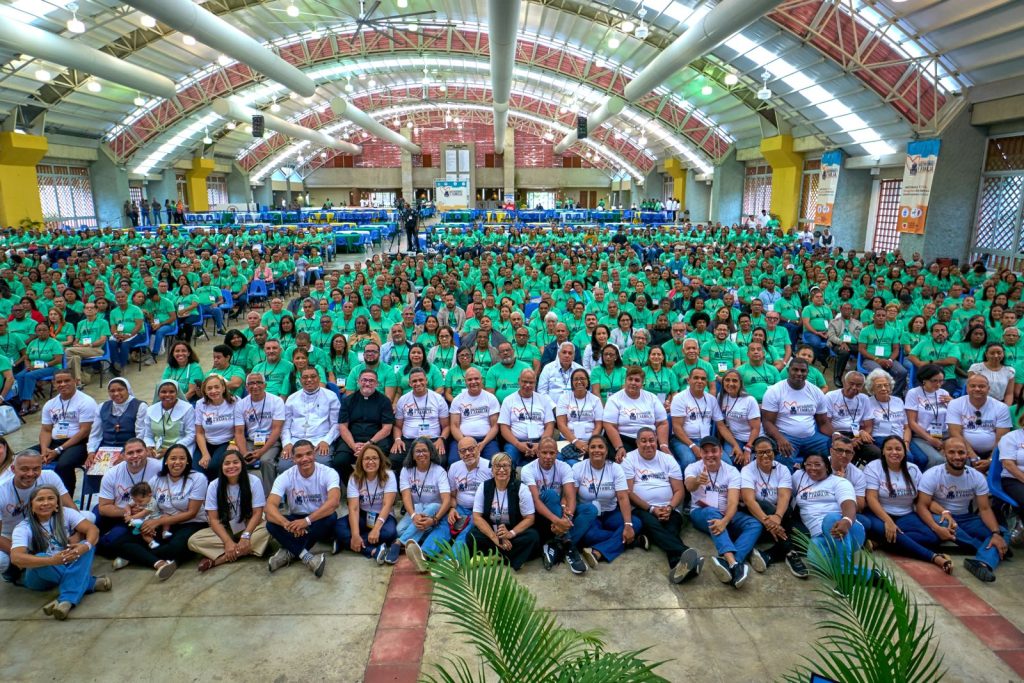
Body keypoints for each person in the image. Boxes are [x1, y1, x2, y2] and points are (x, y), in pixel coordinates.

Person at [106, 444, 208, 581]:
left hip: (190, 523)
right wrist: (137, 515)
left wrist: (157, 522)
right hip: (162, 522)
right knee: (117, 543)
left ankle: (136, 556)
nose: (177, 462)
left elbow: (192, 513)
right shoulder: (157, 479)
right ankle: (160, 563)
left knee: (173, 548)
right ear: (166, 461)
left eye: (182, 458)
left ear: (188, 461)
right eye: (173, 458)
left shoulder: (198, 478)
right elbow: (146, 502)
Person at [9, 486, 109, 620]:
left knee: (85, 546)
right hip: (39, 575)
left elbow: (93, 529)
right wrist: (51, 561)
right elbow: (16, 558)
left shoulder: (66, 513)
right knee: (41, 556)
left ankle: (65, 601)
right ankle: (89, 584)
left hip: (65, 564)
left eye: (50, 498)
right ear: (31, 506)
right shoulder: (23, 527)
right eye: (40, 500)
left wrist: (86, 546)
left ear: (57, 503)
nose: (45, 503)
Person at [917, 437, 1008, 583]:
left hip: (966, 518)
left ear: (967, 454)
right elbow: (921, 506)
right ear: (944, 453)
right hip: (943, 517)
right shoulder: (932, 475)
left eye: (961, 452)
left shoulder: (976, 477)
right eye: (952, 452)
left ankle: (982, 563)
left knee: (1002, 532)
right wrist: (936, 525)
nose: (957, 457)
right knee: (945, 524)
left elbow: (984, 509)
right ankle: (986, 550)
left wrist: (996, 533)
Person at [622, 427, 704, 584]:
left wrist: (670, 507)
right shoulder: (629, 459)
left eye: (652, 440)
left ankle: (680, 565)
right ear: (637, 443)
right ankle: (685, 552)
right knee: (654, 525)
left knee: (670, 528)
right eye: (643, 441)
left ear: (657, 441)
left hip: (670, 508)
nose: (648, 444)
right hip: (642, 509)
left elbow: (679, 490)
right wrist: (651, 509)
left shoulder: (667, 459)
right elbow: (629, 492)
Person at [684, 436, 763, 588]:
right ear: (700, 453)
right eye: (705, 452)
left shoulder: (732, 471)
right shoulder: (693, 467)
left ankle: (730, 562)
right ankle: (733, 563)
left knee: (754, 524)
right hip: (701, 513)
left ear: (720, 452)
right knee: (711, 513)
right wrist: (697, 482)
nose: (710, 455)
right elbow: (689, 486)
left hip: (725, 514)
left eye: (714, 451)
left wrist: (725, 521)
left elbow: (733, 502)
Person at [861, 436, 948, 572]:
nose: (894, 452)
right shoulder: (873, 467)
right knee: (894, 532)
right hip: (878, 515)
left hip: (906, 514)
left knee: (931, 538)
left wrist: (944, 512)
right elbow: (871, 498)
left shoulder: (913, 469)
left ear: (904, 451)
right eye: (889, 449)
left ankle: (881, 542)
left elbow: (922, 499)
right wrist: (888, 521)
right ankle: (933, 557)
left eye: (898, 449)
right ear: (883, 451)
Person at [0, 451, 82, 580]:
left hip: (48, 525)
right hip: (11, 535)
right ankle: (14, 570)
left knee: (88, 518)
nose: (30, 474)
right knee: (1, 560)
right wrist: (25, 554)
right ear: (13, 469)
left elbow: (70, 506)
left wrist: (77, 534)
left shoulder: (49, 476)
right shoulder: (2, 490)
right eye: (24, 469)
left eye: (36, 469)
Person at [187, 450, 270, 572]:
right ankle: (242, 549)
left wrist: (245, 536)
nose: (231, 466)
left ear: (242, 464)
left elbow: (257, 513)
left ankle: (220, 559)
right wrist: (227, 541)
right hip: (225, 529)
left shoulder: (254, 481)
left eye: (235, 462)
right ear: (221, 467)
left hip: (249, 527)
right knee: (193, 541)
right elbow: (213, 519)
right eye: (227, 463)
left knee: (270, 528)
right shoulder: (214, 485)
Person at [265, 440, 339, 577]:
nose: (305, 459)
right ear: (293, 459)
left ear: (315, 454)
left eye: (308, 454)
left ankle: (289, 551)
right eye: (299, 456)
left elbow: (334, 502)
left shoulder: (329, 473)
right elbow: (269, 507)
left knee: (332, 517)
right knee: (271, 523)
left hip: (317, 518)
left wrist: (306, 521)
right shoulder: (285, 476)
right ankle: (306, 557)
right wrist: (286, 524)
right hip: (295, 519)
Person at [523, 437, 594, 574]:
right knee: (550, 494)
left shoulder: (564, 467)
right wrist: (558, 521)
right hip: (541, 515)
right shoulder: (528, 469)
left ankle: (555, 544)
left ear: (557, 453)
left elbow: (571, 496)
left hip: (560, 513)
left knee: (590, 509)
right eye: (544, 453)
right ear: (537, 453)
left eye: (552, 453)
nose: (548, 457)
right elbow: (536, 501)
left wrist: (567, 518)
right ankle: (569, 545)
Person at [739, 436, 805, 578]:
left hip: (780, 515)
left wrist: (777, 517)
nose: (765, 455)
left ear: (774, 452)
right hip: (757, 514)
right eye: (760, 452)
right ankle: (791, 554)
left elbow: (784, 496)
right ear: (755, 454)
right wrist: (768, 520)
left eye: (768, 451)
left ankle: (768, 555)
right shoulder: (747, 470)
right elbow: (749, 500)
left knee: (805, 537)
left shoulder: (783, 469)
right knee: (765, 505)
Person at [790, 452, 865, 576]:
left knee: (830, 518)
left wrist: (846, 521)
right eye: (808, 465)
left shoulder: (839, 482)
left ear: (826, 466)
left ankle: (844, 572)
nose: (812, 468)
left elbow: (849, 503)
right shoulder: (799, 477)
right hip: (819, 536)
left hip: (846, 529)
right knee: (815, 560)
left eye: (817, 464)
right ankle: (872, 575)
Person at [571, 435, 637, 566]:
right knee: (589, 536)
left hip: (610, 513)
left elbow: (623, 497)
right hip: (590, 515)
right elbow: (571, 496)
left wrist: (628, 525)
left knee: (635, 522)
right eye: (593, 447)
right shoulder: (578, 468)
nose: (597, 450)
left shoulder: (615, 468)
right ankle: (632, 540)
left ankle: (598, 551)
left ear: (607, 451)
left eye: (601, 447)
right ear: (587, 450)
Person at [92, 438, 162, 562]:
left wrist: (138, 514)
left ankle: (95, 545)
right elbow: (103, 507)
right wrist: (127, 512)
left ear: (147, 451)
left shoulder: (159, 468)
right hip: (118, 511)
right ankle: (86, 542)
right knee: (92, 518)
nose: (135, 456)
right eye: (130, 453)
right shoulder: (112, 473)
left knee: (112, 540)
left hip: (145, 515)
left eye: (139, 451)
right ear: (123, 456)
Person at [469, 452, 540, 571]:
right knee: (472, 535)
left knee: (533, 537)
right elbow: (477, 517)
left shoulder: (521, 488)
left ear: (511, 468)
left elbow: (530, 518)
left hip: (513, 530)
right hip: (492, 530)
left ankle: (495, 557)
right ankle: (508, 557)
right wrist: (494, 537)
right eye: (497, 466)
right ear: (492, 469)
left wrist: (510, 533)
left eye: (505, 466)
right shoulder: (484, 487)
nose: (501, 470)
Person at [761, 359, 833, 469]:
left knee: (836, 448)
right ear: (788, 370)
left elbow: (823, 423)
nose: (799, 373)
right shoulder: (775, 391)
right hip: (786, 437)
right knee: (783, 458)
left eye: (803, 371)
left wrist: (836, 436)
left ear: (807, 372)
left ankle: (827, 481)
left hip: (812, 438)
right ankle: (788, 483)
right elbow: (767, 422)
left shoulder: (816, 392)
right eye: (795, 370)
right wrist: (780, 439)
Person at [393, 438, 452, 571]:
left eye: (424, 450)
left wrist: (434, 519)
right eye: (417, 451)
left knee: (433, 506)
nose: (421, 454)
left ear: (431, 452)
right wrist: (413, 515)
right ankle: (425, 533)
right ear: (412, 455)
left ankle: (399, 542)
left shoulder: (439, 471)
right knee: (399, 530)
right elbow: (406, 496)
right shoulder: (406, 470)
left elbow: (446, 500)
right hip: (417, 510)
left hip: (436, 511)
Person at [38, 369, 98, 497]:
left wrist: (58, 450)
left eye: (67, 381)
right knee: (25, 458)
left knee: (64, 465)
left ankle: (66, 500)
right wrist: (44, 450)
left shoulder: (86, 401)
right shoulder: (50, 404)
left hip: (79, 443)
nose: (63, 384)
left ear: (75, 381)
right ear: (54, 384)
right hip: (55, 442)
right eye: (59, 381)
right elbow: (46, 430)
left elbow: (84, 431)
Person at [336, 443, 399, 563]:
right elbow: (353, 509)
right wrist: (354, 535)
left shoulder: (389, 476)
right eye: (367, 458)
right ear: (361, 461)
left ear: (380, 460)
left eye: (374, 458)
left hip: (383, 516)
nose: (371, 462)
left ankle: (344, 543)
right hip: (363, 515)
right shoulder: (354, 478)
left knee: (389, 533)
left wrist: (376, 529)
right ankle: (372, 550)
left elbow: (387, 505)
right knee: (338, 526)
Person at [335, 369, 395, 483]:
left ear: (377, 383)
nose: (367, 383)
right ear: (358, 381)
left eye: (371, 381)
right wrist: (353, 446)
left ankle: (377, 487)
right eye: (364, 380)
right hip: (352, 439)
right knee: (339, 461)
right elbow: (343, 427)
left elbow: (387, 428)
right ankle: (354, 486)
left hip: (377, 439)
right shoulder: (348, 401)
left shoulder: (384, 401)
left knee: (386, 458)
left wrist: (369, 444)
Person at [669, 366, 735, 468]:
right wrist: (693, 446)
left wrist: (735, 445)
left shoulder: (711, 399)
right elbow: (677, 428)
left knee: (727, 463)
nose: (700, 381)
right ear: (688, 380)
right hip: (683, 440)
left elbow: (721, 426)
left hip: (706, 440)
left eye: (703, 379)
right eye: (696, 378)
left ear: (707, 382)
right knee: (689, 461)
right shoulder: (679, 398)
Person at [945, 373, 1012, 472]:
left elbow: (1001, 438)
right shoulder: (955, 404)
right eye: (973, 386)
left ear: (988, 389)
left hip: (994, 452)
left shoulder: (1001, 407)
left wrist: (991, 460)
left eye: (981, 386)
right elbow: (955, 433)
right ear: (967, 388)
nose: (977, 389)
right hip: (964, 450)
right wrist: (973, 457)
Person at [233, 372, 286, 496]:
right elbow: (239, 432)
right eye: (251, 383)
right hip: (250, 441)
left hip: (270, 441)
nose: (255, 386)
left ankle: (271, 497)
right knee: (236, 460)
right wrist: (244, 452)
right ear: (246, 387)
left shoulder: (276, 401)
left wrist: (261, 452)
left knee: (266, 461)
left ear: (265, 385)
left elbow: (277, 430)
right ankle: (243, 495)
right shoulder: (241, 404)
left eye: (259, 382)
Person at [279, 367, 341, 470]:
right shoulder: (291, 398)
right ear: (300, 379)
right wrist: (287, 443)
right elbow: (285, 426)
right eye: (305, 377)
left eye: (313, 376)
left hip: (320, 440)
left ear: (319, 378)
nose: (309, 380)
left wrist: (326, 441)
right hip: (295, 441)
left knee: (323, 463)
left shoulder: (331, 396)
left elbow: (336, 424)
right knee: (284, 466)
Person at [602, 365, 670, 458]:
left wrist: (663, 445)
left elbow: (662, 423)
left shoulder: (652, 398)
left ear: (642, 383)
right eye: (630, 379)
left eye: (637, 380)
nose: (633, 383)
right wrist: (619, 447)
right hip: (624, 439)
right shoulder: (614, 399)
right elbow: (609, 425)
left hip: (649, 441)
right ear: (625, 380)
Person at [497, 368, 556, 467]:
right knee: (507, 462)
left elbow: (549, 425)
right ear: (519, 381)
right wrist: (518, 444)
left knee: (553, 461)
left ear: (535, 383)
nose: (527, 385)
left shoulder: (543, 400)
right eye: (524, 381)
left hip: (539, 441)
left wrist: (541, 444)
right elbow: (504, 428)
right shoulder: (508, 400)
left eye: (531, 382)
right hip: (515, 442)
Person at [85, 378, 147, 468]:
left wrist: (127, 454)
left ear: (127, 390)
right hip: (105, 449)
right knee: (91, 470)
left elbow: (140, 434)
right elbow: (95, 433)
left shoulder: (140, 406)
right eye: (112, 391)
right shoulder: (102, 407)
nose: (116, 394)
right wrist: (91, 452)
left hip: (129, 449)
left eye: (120, 390)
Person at [447, 437, 493, 552]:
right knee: (445, 523)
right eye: (463, 451)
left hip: (481, 511)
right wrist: (452, 508)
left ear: (478, 448)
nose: (467, 453)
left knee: (469, 529)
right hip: (461, 508)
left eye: (471, 449)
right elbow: (452, 495)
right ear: (459, 453)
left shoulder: (490, 467)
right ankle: (425, 552)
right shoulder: (454, 467)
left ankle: (452, 559)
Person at [825, 371, 879, 465]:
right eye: (851, 383)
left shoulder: (864, 398)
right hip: (836, 434)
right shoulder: (831, 396)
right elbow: (826, 423)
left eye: (858, 385)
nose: (854, 387)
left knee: (876, 453)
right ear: (844, 382)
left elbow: (869, 425)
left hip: (857, 435)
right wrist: (847, 440)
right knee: (843, 452)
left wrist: (861, 435)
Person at [448, 367, 500, 464]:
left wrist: (483, 443)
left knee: (494, 462)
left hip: (486, 440)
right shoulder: (458, 399)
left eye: (476, 379)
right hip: (462, 438)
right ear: (465, 381)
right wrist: (466, 443)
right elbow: (454, 426)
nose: (473, 382)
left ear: (482, 380)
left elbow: (495, 426)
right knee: (453, 461)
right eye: (470, 379)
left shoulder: (491, 398)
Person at [904, 364, 952, 468]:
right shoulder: (914, 393)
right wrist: (930, 439)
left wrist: (953, 403)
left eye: (941, 381)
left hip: (944, 434)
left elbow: (954, 417)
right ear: (924, 379)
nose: (938, 384)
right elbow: (912, 422)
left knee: (959, 458)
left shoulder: (943, 393)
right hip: (922, 436)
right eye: (934, 381)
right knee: (937, 460)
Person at [554, 368, 604, 464]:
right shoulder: (564, 398)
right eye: (576, 379)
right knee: (559, 460)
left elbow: (599, 425)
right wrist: (575, 441)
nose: (579, 382)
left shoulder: (595, 400)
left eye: (582, 379)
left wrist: (590, 443)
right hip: (567, 439)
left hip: (590, 440)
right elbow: (561, 424)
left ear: (588, 381)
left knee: (574, 463)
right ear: (572, 382)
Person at [193, 374, 238, 479]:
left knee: (213, 466)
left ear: (223, 388)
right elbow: (199, 432)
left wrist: (233, 442)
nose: (213, 391)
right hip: (207, 443)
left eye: (216, 387)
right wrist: (205, 454)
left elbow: (240, 429)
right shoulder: (200, 404)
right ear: (205, 391)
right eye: (209, 388)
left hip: (226, 442)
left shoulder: (234, 401)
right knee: (196, 470)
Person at [14, 321, 63, 416]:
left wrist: (43, 366)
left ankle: (25, 403)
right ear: (36, 332)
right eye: (39, 330)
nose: (41, 332)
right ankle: (32, 402)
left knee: (29, 376)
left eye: (44, 330)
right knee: (19, 376)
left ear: (49, 331)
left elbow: (58, 360)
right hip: (33, 367)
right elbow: (27, 358)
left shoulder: (55, 343)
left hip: (52, 367)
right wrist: (28, 365)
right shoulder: (32, 343)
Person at [863, 369, 911, 465]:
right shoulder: (867, 402)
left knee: (918, 459)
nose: (883, 388)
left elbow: (906, 427)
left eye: (886, 385)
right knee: (907, 458)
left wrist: (906, 443)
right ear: (872, 389)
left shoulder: (898, 401)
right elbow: (864, 425)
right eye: (879, 386)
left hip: (900, 437)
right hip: (880, 437)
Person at [857, 307, 907, 396]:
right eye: (878, 315)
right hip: (870, 359)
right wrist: (877, 359)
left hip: (888, 359)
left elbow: (896, 349)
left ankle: (893, 395)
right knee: (879, 372)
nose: (881, 317)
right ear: (874, 317)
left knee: (902, 372)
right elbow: (861, 349)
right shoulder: (865, 330)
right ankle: (877, 395)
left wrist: (891, 360)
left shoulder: (893, 330)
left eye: (883, 315)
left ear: (886, 317)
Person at [140, 380, 196, 456]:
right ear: (158, 393)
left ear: (177, 393)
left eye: (171, 392)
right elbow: (148, 435)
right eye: (163, 392)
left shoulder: (187, 409)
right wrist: (150, 447)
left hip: (182, 447)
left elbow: (191, 435)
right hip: (157, 449)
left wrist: (171, 449)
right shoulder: (150, 410)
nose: (167, 395)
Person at [717, 369, 760, 466]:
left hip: (752, 440)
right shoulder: (721, 397)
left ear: (740, 383)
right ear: (723, 382)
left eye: (735, 381)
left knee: (748, 462)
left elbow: (756, 428)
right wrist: (735, 445)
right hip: (734, 438)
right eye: (727, 380)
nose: (731, 383)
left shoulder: (749, 400)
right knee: (733, 460)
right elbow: (722, 425)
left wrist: (748, 449)